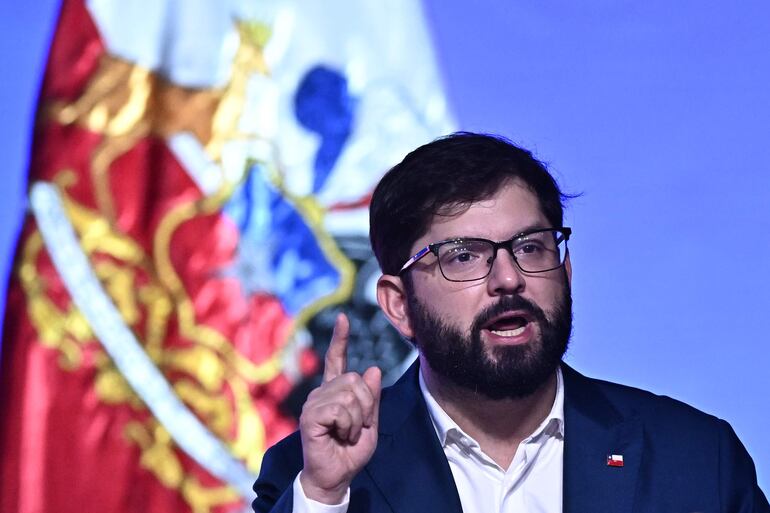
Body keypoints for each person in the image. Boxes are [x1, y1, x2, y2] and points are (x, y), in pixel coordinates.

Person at [252, 132, 769, 513]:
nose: (508, 278)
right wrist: (323, 498)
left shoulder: (695, 460)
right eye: (463, 256)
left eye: (530, 247)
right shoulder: (314, 473)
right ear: (399, 304)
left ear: (565, 271)